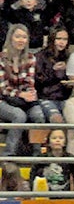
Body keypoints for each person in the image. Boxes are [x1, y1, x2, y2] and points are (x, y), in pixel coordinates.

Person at [0, 23, 46, 157]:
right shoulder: (1, 59)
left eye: (24, 37)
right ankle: (9, 155)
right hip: (3, 99)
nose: (21, 40)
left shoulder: (31, 58)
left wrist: (30, 93)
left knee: (38, 115)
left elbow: (29, 82)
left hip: (23, 99)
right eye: (18, 36)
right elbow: (2, 88)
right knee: (19, 116)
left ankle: (37, 156)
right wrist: (21, 94)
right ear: (11, 39)